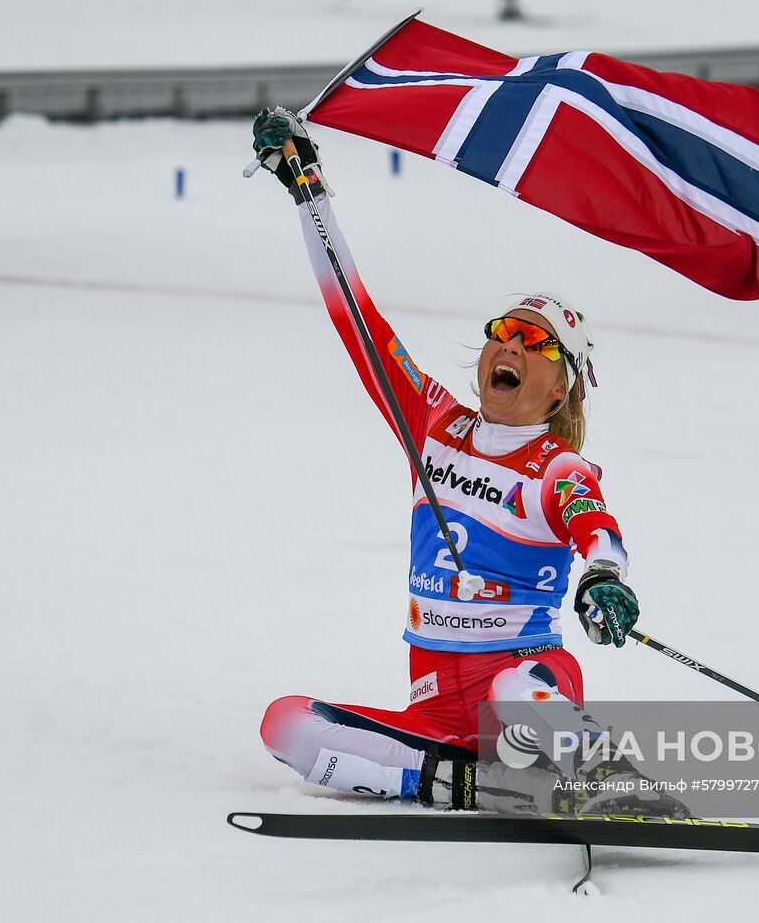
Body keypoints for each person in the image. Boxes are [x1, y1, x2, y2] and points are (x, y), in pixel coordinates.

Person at [250, 108, 682, 816]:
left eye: (534, 342)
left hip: (524, 686)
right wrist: (308, 189)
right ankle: (467, 786)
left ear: (561, 384)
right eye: (503, 332)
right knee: (288, 725)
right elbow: (356, 314)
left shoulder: (555, 467)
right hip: (437, 718)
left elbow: (596, 530)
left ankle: (607, 781)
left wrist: (605, 580)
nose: (509, 346)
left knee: (518, 696)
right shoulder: (433, 422)